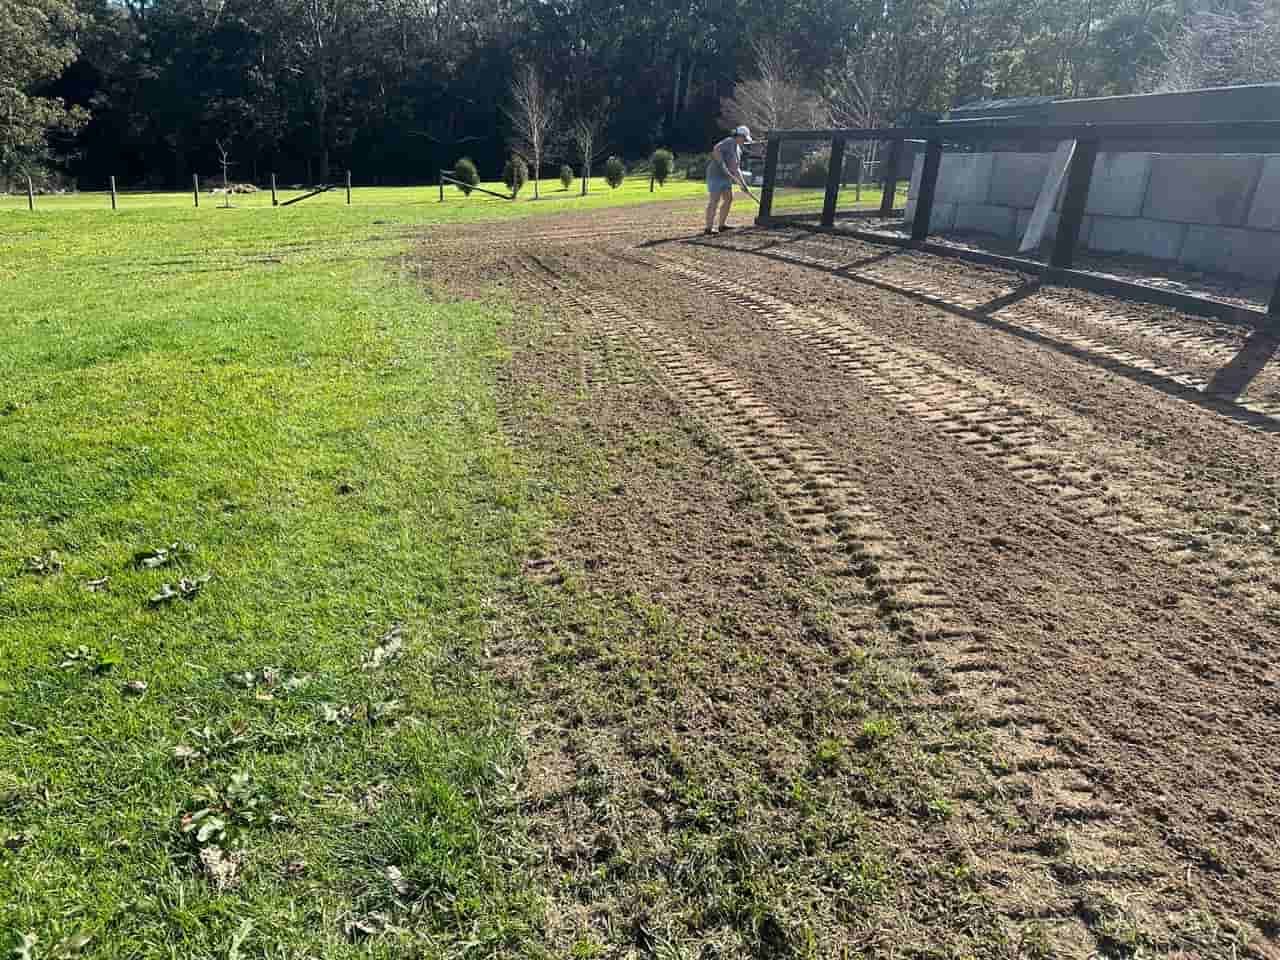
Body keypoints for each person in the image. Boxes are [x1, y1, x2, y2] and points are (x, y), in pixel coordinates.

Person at [705, 125, 753, 235]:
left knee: (728, 198)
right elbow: (716, 149)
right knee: (715, 200)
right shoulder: (729, 141)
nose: (745, 141)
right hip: (715, 175)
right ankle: (708, 228)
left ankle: (722, 225)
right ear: (739, 136)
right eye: (744, 138)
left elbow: (736, 169)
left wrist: (743, 184)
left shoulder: (738, 150)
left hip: (726, 177)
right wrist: (722, 164)